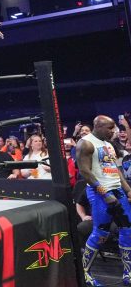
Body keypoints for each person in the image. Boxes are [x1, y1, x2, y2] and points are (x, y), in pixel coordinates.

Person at [76, 115, 131, 286]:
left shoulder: (108, 144)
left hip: (117, 190)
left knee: (128, 230)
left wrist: (128, 189)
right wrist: (105, 193)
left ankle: (128, 273)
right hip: (99, 192)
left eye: (114, 128)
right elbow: (84, 171)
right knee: (101, 233)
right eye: (110, 128)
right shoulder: (86, 143)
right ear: (98, 126)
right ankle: (85, 274)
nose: (113, 131)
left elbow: (115, 169)